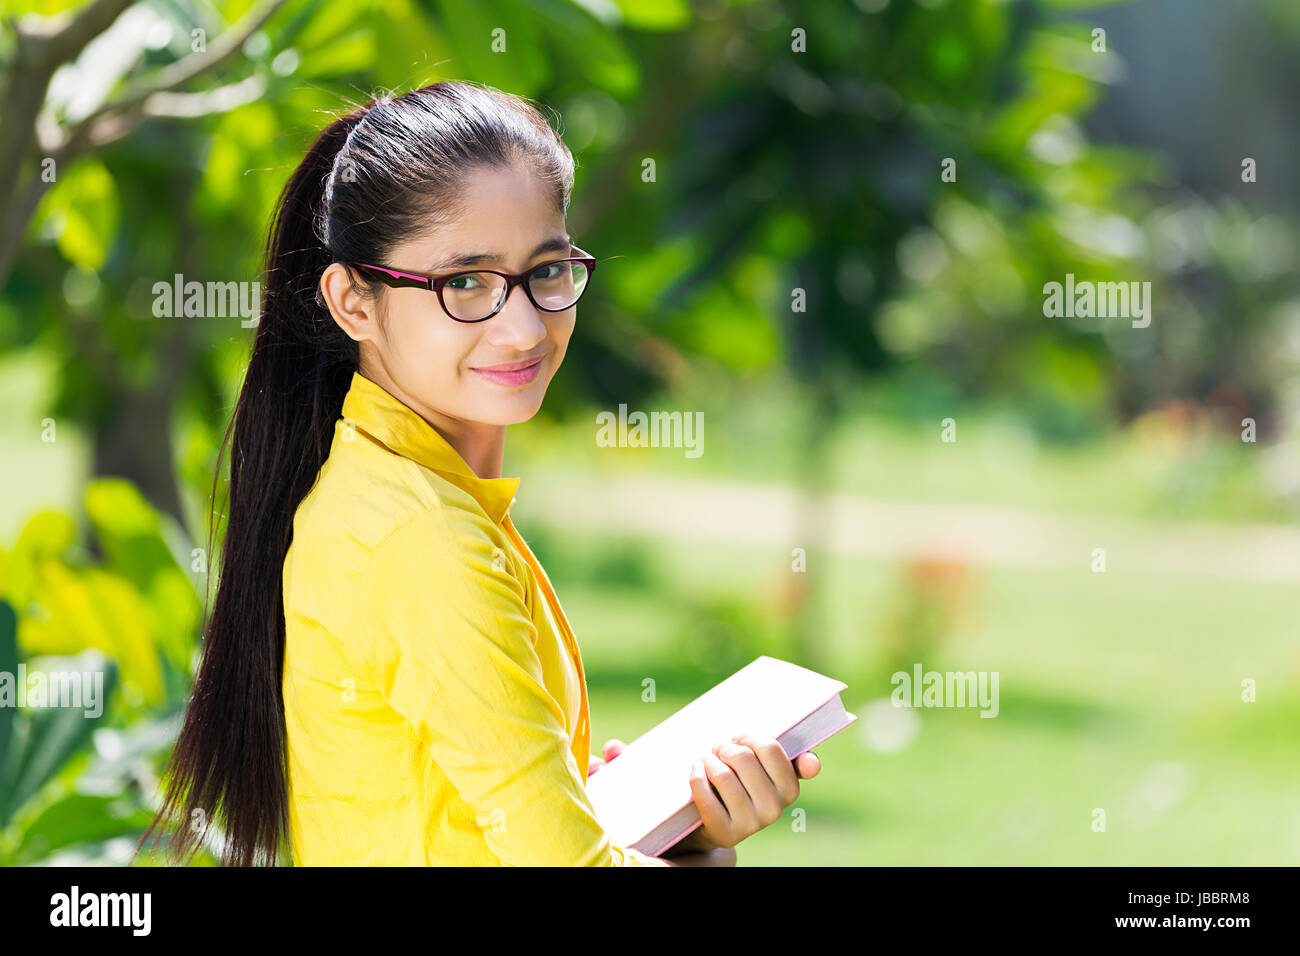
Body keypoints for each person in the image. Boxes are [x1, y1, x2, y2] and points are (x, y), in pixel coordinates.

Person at [139, 80, 820, 867]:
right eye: (465, 283)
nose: (524, 325)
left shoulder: (387, 491)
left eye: (547, 271)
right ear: (353, 302)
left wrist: (665, 823)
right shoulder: (422, 536)